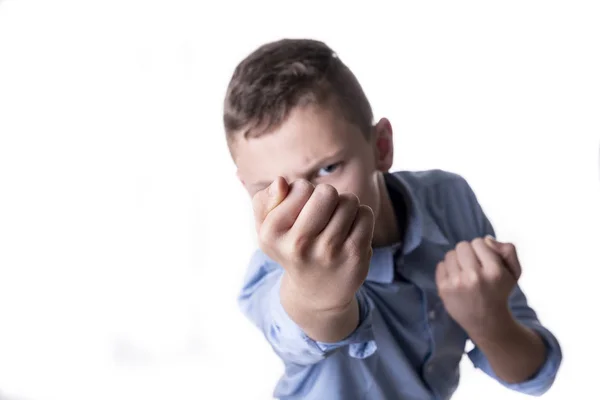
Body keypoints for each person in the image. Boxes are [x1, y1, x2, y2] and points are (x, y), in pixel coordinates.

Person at [222, 38, 562, 400]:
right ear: (246, 187)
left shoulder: (449, 200)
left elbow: (535, 374)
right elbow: (301, 325)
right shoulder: (274, 271)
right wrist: (313, 291)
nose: (308, 206)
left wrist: (491, 322)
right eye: (271, 187)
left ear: (381, 147)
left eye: (328, 168)